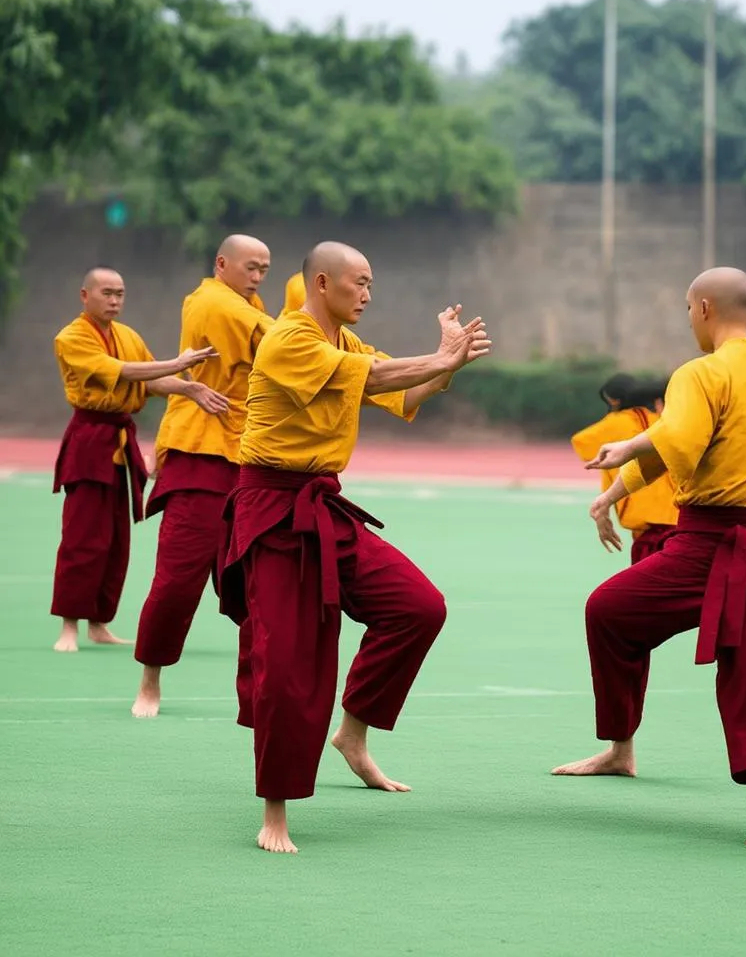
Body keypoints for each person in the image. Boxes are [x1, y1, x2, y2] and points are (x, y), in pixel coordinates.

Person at [218, 240, 490, 854]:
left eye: (371, 283)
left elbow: (404, 393)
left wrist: (450, 363)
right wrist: (438, 355)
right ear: (322, 283)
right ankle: (276, 811)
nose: (368, 294)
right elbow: (383, 375)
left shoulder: (348, 344)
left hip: (321, 506)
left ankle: (353, 733)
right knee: (286, 664)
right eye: (359, 283)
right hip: (271, 513)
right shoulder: (291, 340)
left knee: (418, 607)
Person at [552, 266, 746, 851]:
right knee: (617, 614)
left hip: (714, 544)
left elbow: (678, 440)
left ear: (703, 308)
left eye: (686, 308)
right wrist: (614, 492)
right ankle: (621, 751)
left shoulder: (699, 373)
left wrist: (628, 446)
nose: (688, 318)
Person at [131, 236, 275, 717]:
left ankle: (262, 690)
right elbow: (277, 342)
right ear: (222, 264)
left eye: (264, 269)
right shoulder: (212, 301)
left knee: (260, 584)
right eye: (250, 267)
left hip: (249, 457)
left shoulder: (249, 304)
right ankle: (149, 680)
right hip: (199, 454)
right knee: (177, 579)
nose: (257, 277)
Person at [51, 267, 229, 653]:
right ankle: (69, 624)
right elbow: (122, 372)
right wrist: (178, 364)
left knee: (116, 539)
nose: (115, 300)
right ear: (85, 295)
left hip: (120, 442)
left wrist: (189, 387)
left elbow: (147, 382)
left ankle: (99, 622)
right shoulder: (71, 338)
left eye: (120, 294)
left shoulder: (127, 336)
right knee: (83, 537)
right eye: (107, 293)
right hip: (90, 442)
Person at [570, 374, 677, 564]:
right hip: (678, 515)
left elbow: (581, 443)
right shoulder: (659, 420)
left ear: (614, 400)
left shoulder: (616, 422)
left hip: (647, 522)